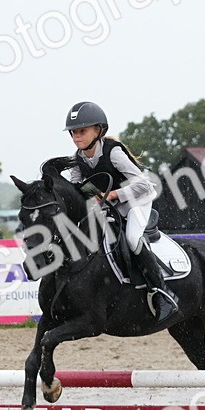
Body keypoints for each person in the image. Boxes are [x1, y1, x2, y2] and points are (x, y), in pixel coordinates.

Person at [63, 100, 178, 322]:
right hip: (108, 205)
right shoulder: (77, 159)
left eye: (82, 131)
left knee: (133, 239)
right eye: (73, 132)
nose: (77, 136)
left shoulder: (113, 152)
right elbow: (78, 189)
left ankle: (163, 293)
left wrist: (114, 195)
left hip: (137, 200)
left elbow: (144, 184)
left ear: (98, 131)